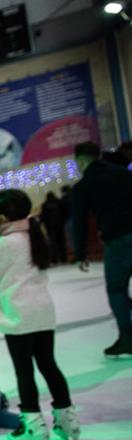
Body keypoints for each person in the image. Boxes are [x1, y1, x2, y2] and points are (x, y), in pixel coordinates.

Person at [0, 189, 80, 440]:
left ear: (0, 216)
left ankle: (33, 426)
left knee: (24, 369)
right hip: (41, 310)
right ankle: (68, 420)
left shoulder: (6, 243)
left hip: (18, 313)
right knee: (49, 365)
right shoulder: (32, 235)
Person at [69, 141, 132, 357]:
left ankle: (127, 338)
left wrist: (80, 254)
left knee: (116, 290)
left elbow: (79, 223)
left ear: (81, 160)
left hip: (118, 241)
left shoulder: (84, 185)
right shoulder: (124, 173)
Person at [40, 192, 69, 264]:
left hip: (50, 228)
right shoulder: (59, 203)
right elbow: (64, 213)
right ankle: (64, 259)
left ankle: (54, 259)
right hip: (60, 226)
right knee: (62, 242)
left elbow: (43, 217)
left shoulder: (45, 205)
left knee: (53, 244)